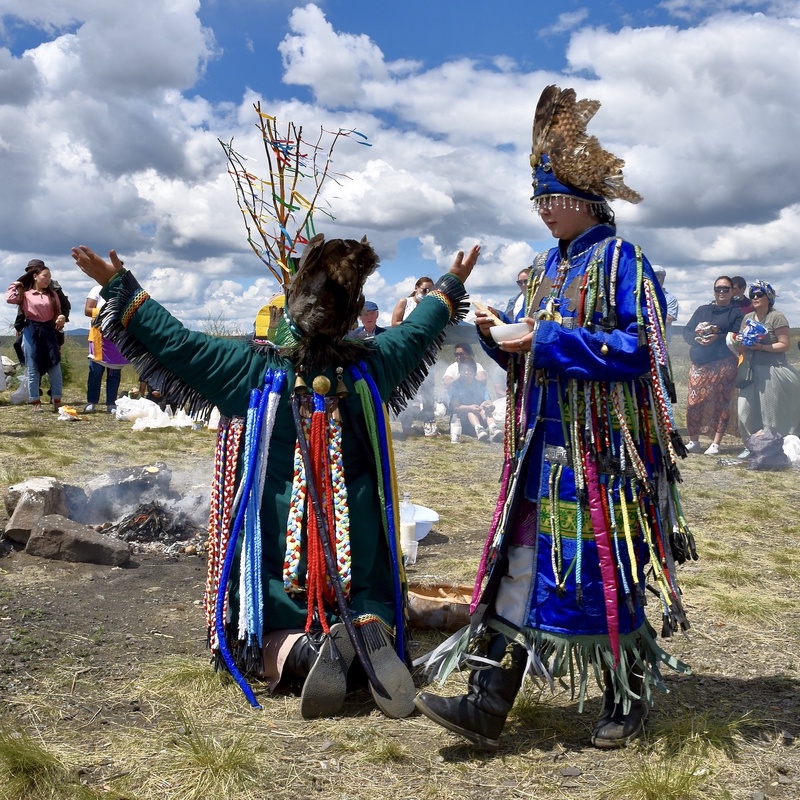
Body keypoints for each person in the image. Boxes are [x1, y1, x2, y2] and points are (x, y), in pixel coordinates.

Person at [72, 236, 480, 721]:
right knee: (366, 582)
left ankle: (302, 652)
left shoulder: (250, 369)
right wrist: (451, 285)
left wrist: (119, 285)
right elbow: (419, 329)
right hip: (358, 525)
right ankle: (365, 627)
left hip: (280, 529)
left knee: (263, 619)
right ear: (351, 314)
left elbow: (176, 343)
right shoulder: (374, 364)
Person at [415, 85, 694, 752]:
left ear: (587, 199)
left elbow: (638, 351)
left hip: (602, 459)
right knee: (516, 567)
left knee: (603, 568)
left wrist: (540, 339)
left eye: (553, 198)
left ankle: (625, 698)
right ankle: (486, 705)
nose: (543, 211)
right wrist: (494, 335)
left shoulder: (621, 263)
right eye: (536, 200)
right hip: (539, 451)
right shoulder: (542, 270)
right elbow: (526, 360)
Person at [681, 276, 744, 455]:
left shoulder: (737, 313)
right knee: (694, 402)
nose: (721, 292)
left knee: (721, 401)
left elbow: (737, 335)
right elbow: (686, 330)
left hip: (723, 361)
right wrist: (696, 338)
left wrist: (718, 337)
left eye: (726, 289)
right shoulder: (702, 310)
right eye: (718, 289)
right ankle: (694, 440)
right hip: (700, 361)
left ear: (733, 291)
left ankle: (716, 442)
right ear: (714, 291)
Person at [737, 280, 800, 455]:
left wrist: (762, 347)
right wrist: (740, 344)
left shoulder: (776, 317)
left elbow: (785, 344)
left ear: (769, 297)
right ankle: (751, 445)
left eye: (759, 294)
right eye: (752, 295)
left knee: (770, 414)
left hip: (772, 370)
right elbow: (741, 342)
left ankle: (770, 448)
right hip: (750, 370)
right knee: (744, 412)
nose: (755, 297)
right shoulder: (747, 318)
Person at [6, 260, 67, 412]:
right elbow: (9, 298)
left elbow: (59, 311)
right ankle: (35, 401)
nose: (48, 279)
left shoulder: (52, 294)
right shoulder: (25, 294)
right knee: (33, 366)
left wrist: (61, 317)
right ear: (35, 276)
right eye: (45, 276)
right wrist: (18, 282)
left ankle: (57, 399)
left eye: (49, 277)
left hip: (49, 330)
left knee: (55, 364)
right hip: (31, 330)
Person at [392, 276, 439, 437]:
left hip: (427, 351)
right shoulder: (405, 302)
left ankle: (429, 422)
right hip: (408, 351)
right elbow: (394, 323)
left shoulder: (431, 306)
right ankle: (406, 423)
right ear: (416, 288)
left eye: (430, 291)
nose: (426, 293)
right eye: (424, 289)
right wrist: (414, 326)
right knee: (408, 388)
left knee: (428, 389)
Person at [84, 283, 129, 413]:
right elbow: (88, 310)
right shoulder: (97, 289)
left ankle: (111, 403)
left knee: (114, 373)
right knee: (95, 371)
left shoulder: (124, 291)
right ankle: (91, 402)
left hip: (117, 336)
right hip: (99, 336)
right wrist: (108, 311)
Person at [447, 358, 500, 442]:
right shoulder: (455, 386)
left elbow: (489, 401)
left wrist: (489, 406)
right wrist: (469, 407)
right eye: (464, 370)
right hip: (461, 422)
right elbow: (454, 408)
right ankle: (478, 429)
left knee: (484, 408)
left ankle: (493, 427)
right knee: (470, 411)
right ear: (459, 372)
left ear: (474, 372)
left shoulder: (480, 386)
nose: (466, 373)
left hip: (481, 417)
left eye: (469, 370)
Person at [653, 266, 679, 345]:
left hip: (661, 343)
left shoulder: (670, 299)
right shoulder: (641, 295)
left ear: (659, 278)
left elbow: (667, 320)